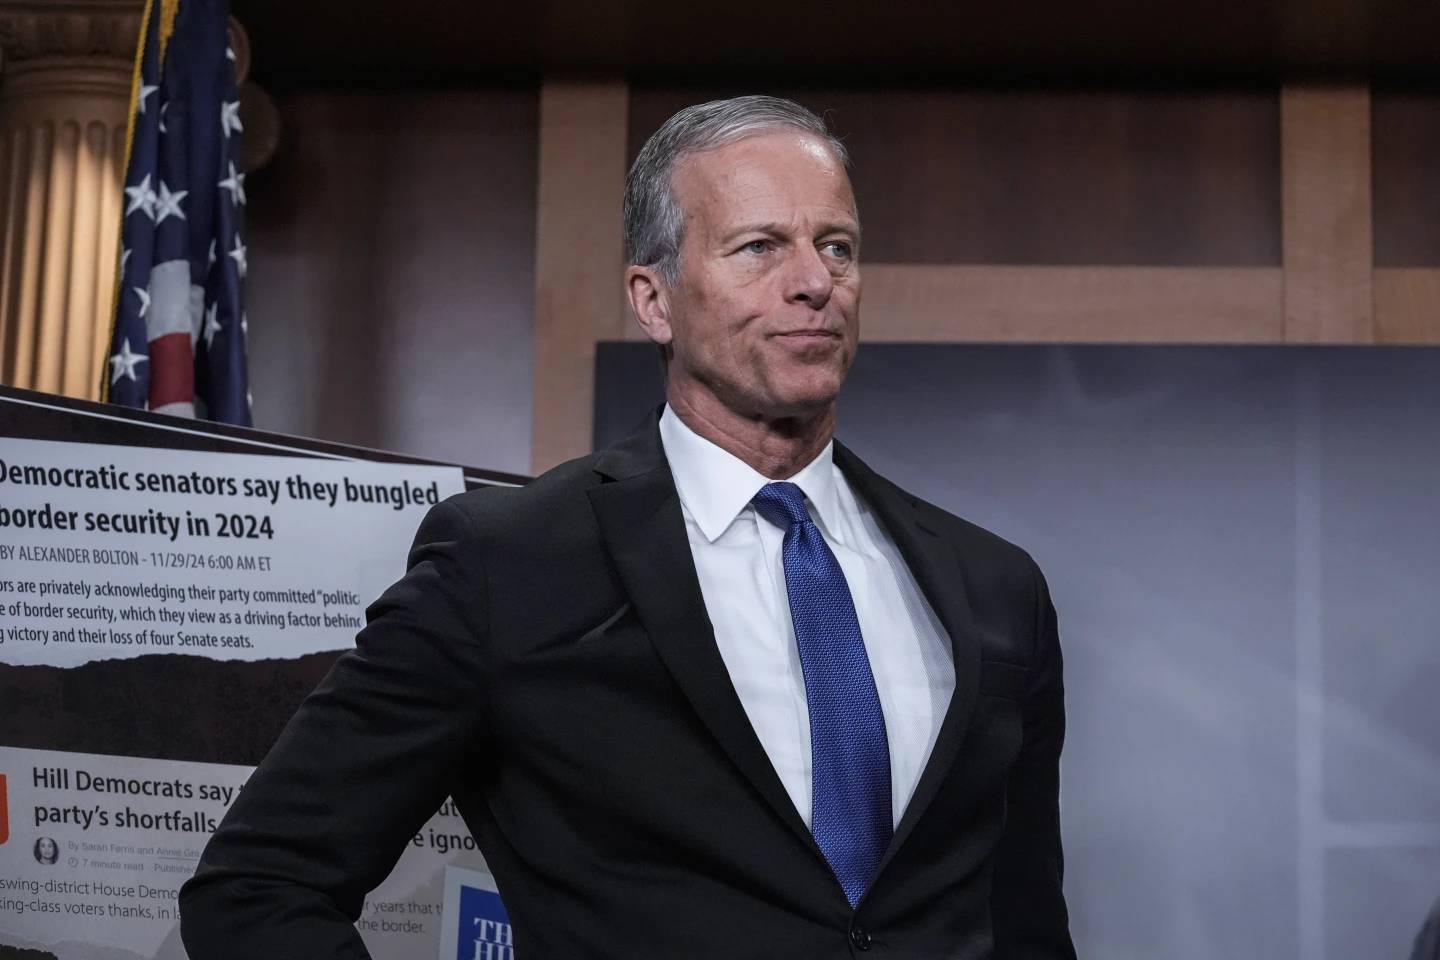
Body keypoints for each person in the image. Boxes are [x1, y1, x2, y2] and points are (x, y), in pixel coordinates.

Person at [180, 95, 1076, 959]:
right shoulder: (508, 564)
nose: (813, 282)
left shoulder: (994, 588)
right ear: (653, 300)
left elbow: (1026, 929)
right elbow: (258, 886)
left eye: (835, 246)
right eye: (760, 247)